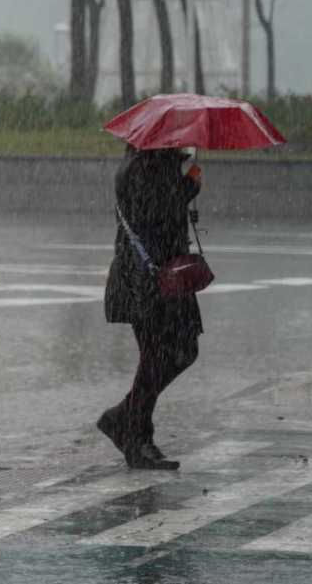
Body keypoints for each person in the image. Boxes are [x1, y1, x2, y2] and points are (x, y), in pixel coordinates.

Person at [99, 146, 203, 470]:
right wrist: (188, 188)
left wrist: (183, 188)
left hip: (165, 275)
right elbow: (152, 215)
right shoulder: (142, 167)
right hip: (147, 278)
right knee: (158, 356)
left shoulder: (155, 164)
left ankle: (125, 419)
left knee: (182, 350)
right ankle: (137, 436)